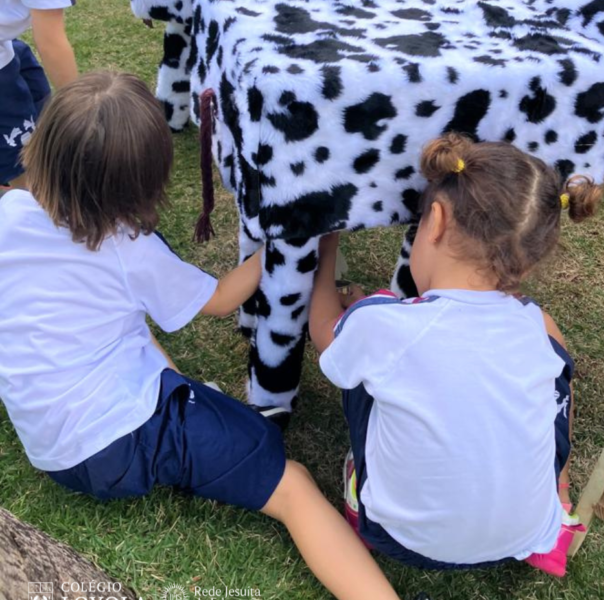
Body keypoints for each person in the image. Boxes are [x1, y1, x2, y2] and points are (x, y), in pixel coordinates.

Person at [0, 71, 401, 600]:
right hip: (114, 443)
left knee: (136, 332)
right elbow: (220, 300)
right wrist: (287, 239)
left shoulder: (9, 212)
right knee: (291, 481)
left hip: (46, 439)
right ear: (145, 182)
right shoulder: (129, 249)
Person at [309, 133, 602, 577]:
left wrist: (327, 248)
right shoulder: (536, 325)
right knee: (554, 363)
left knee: (359, 355)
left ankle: (357, 494)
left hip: (398, 538)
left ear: (436, 221)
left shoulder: (383, 324)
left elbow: (324, 333)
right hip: (519, 539)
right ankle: (558, 496)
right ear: (530, 259)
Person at [1, 0, 78, 190]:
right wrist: (82, 106)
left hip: (7, 42)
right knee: (17, 153)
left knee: (40, 101)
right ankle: (25, 192)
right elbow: (50, 43)